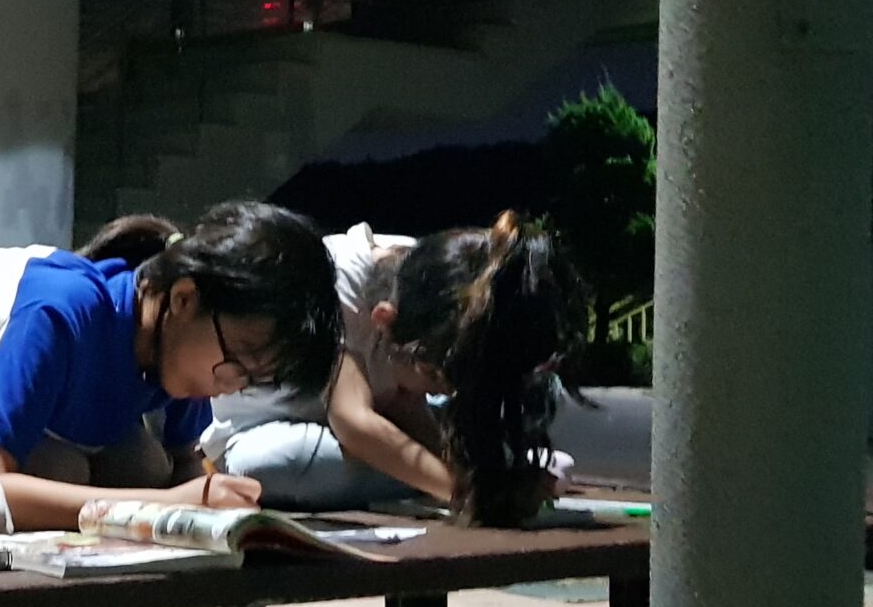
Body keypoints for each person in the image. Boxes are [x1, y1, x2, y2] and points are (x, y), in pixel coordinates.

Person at [0, 202, 343, 532]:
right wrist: (169, 504)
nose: (231, 386)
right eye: (237, 361)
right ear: (184, 298)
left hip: (48, 432)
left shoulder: (174, 344)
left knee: (143, 464)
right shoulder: (64, 309)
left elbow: (184, 466)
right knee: (63, 469)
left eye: (251, 379)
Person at [208, 210, 588, 527]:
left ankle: (481, 468)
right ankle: (465, 472)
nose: (441, 388)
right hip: (282, 425)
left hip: (381, 419)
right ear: (384, 320)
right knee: (273, 465)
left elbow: (405, 403)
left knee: (522, 412)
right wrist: (467, 491)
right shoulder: (338, 282)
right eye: (434, 377)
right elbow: (354, 421)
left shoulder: (436, 280)